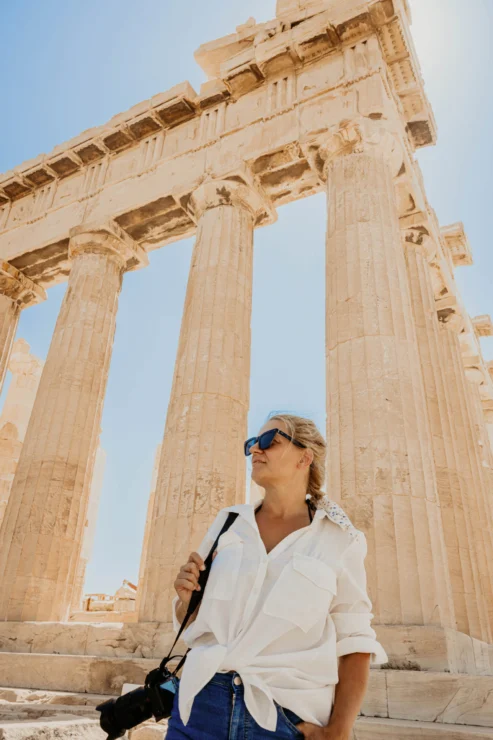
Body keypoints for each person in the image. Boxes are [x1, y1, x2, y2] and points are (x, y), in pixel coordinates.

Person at [166, 413, 387, 739]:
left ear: (305, 457)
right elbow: (196, 625)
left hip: (282, 716)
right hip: (200, 706)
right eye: (251, 444)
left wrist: (339, 730)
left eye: (269, 441)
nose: (256, 450)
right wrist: (187, 601)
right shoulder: (228, 524)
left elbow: (354, 640)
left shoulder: (341, 540)